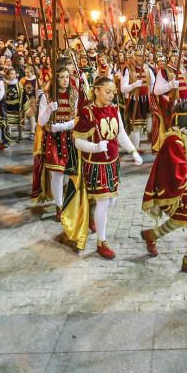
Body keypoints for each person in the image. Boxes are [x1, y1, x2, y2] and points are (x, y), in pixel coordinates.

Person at [60, 76, 143, 259]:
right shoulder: (87, 112)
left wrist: (132, 151)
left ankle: (92, 214)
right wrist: (95, 147)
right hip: (95, 164)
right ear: (97, 90)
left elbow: (120, 134)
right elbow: (78, 142)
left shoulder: (114, 109)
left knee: (110, 201)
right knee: (104, 202)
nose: (112, 95)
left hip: (113, 162)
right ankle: (101, 241)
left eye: (113, 92)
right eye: (108, 91)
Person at [139, 100, 187, 277]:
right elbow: (177, 168)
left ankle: (152, 235)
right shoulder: (173, 139)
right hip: (182, 190)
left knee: (180, 219)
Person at [32, 64, 80, 219]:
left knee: (68, 173)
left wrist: (63, 126)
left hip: (69, 137)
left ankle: (67, 199)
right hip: (53, 140)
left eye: (67, 77)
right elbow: (41, 121)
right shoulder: (46, 96)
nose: (65, 80)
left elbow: (76, 118)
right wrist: (48, 110)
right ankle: (59, 206)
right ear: (56, 79)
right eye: (61, 77)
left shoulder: (74, 94)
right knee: (57, 174)